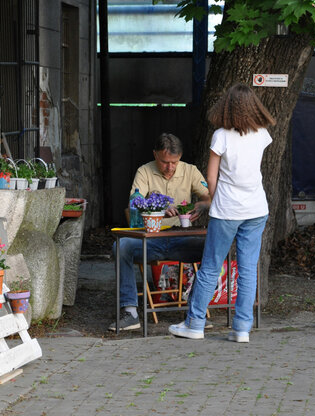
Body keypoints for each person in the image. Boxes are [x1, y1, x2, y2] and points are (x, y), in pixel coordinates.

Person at [168, 83, 275, 342]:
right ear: (253, 107)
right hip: (256, 209)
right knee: (248, 268)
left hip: (227, 210)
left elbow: (211, 180)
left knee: (211, 267)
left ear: (226, 107)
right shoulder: (262, 134)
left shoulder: (221, 136)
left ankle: (195, 324)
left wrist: (212, 201)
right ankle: (242, 329)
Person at [110, 133, 211, 331]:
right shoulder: (144, 171)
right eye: (165, 162)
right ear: (155, 154)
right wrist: (156, 210)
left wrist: (202, 206)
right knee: (121, 246)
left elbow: (210, 197)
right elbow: (134, 201)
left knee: (213, 246)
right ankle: (129, 313)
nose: (170, 167)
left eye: (174, 162)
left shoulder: (190, 171)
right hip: (152, 240)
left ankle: (195, 311)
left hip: (182, 239)